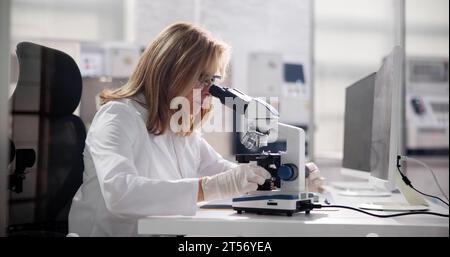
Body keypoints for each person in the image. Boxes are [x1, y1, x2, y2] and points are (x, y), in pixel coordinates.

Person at [68, 22, 324, 237]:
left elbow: (231, 176)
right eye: (202, 79)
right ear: (169, 70)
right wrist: (210, 188)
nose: (209, 92)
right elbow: (121, 194)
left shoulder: (181, 130)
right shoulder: (118, 117)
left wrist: (289, 179)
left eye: (213, 81)